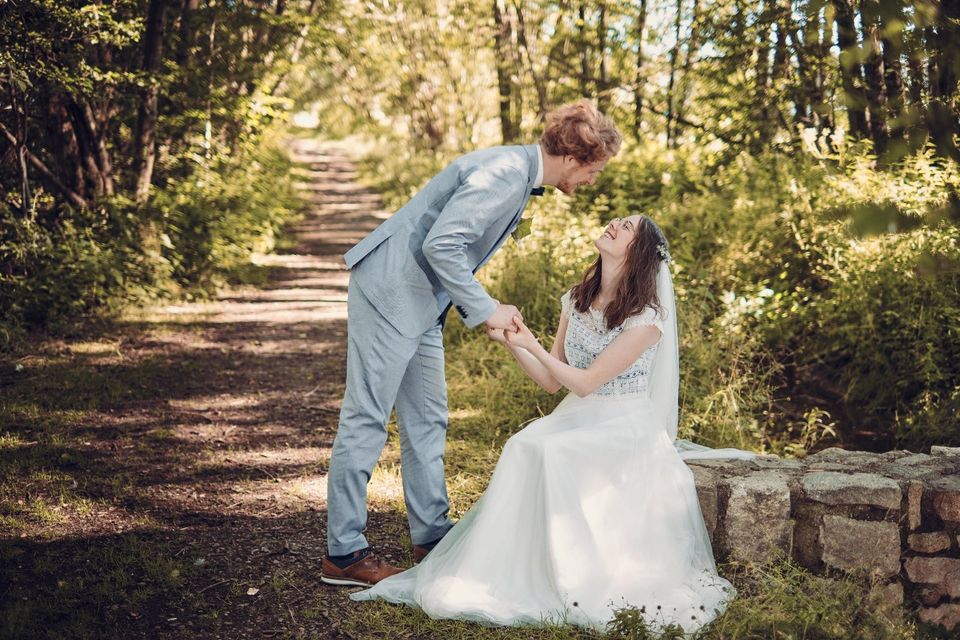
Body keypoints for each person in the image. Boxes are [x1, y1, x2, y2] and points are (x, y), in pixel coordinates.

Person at [350, 215, 755, 634]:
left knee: (554, 449)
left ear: (639, 252)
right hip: (581, 417)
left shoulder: (647, 318)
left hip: (624, 425)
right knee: (524, 443)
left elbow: (584, 382)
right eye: (618, 219)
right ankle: (517, 568)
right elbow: (549, 380)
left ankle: (570, 574)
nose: (615, 223)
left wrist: (532, 344)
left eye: (629, 226)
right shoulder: (577, 298)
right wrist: (513, 341)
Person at [321, 101, 623, 587]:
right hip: (391, 292)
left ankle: (432, 536)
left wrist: (477, 307)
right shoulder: (506, 173)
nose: (593, 181)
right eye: (595, 170)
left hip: (422, 304)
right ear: (573, 159)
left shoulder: (517, 170)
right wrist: (485, 308)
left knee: (428, 417)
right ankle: (344, 553)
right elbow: (441, 243)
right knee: (366, 417)